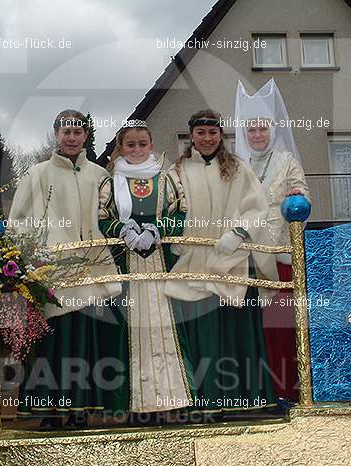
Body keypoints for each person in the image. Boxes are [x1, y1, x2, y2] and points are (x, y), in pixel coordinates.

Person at [9, 109, 126, 429]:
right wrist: (31, 261)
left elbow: (113, 217)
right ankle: (49, 412)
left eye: (78, 132)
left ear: (86, 136)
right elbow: (18, 223)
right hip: (53, 272)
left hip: (92, 269)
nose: (72, 138)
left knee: (85, 342)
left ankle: (80, 409)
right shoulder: (37, 174)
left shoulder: (100, 175)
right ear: (56, 135)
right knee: (52, 345)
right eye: (66, 132)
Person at [163, 109, 278, 418]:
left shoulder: (238, 168)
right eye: (201, 133)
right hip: (193, 265)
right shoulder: (177, 171)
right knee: (201, 336)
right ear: (191, 136)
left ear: (220, 135)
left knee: (235, 336)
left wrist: (240, 231)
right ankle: (205, 403)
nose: (207, 138)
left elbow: (258, 206)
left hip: (232, 262)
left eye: (212, 133)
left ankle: (246, 401)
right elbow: (169, 211)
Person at [99, 120, 195, 423]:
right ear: (121, 148)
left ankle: (175, 399)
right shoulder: (111, 182)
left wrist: (157, 231)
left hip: (162, 268)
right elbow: (102, 218)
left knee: (167, 329)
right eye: (130, 145)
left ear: (151, 145)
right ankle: (133, 405)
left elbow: (180, 213)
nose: (137, 150)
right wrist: (122, 230)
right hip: (127, 271)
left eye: (142, 144)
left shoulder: (166, 179)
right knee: (130, 331)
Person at [235, 79, 310, 401]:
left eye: (262, 129)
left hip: (279, 258)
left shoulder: (287, 162)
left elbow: (302, 196)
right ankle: (257, 393)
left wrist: (296, 197)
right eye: (251, 130)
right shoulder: (236, 165)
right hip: (248, 260)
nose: (257, 135)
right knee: (253, 331)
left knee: (281, 329)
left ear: (272, 131)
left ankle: (288, 391)